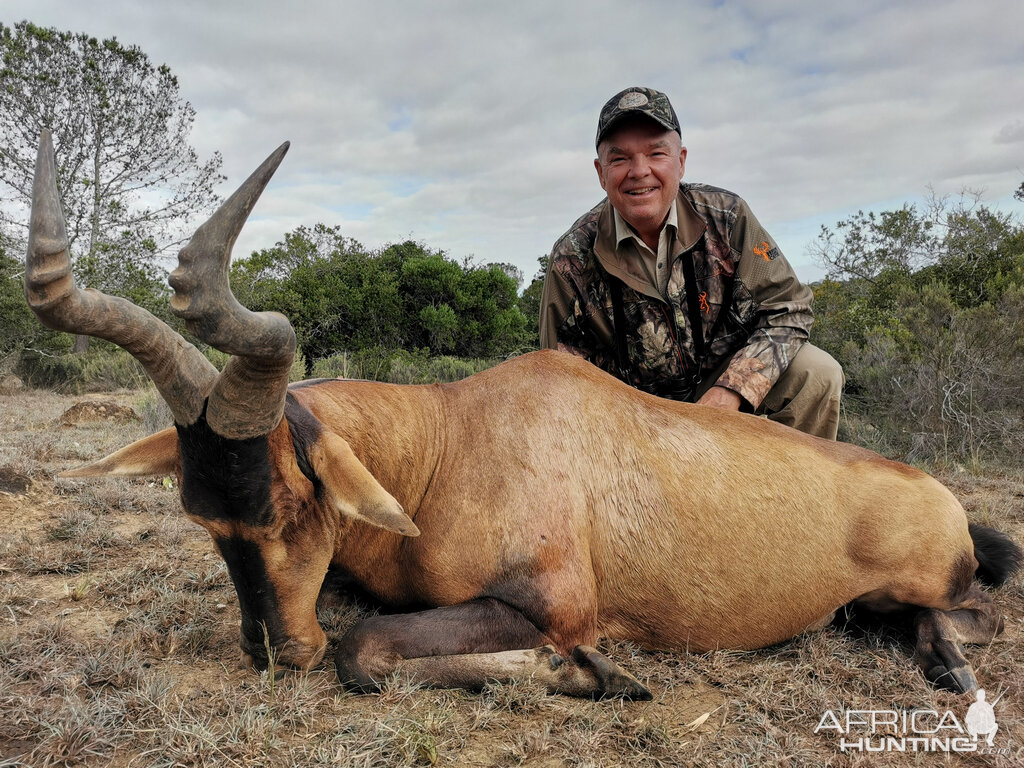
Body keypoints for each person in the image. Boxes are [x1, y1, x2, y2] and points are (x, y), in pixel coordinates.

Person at [539, 86, 843, 439]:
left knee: (818, 374)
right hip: (631, 414)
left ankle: (796, 492)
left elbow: (789, 308)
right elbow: (558, 377)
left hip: (721, 381)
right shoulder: (571, 256)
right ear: (600, 171)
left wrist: (733, 389)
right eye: (620, 158)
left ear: (680, 161)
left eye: (656, 153)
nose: (640, 171)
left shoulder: (727, 216)